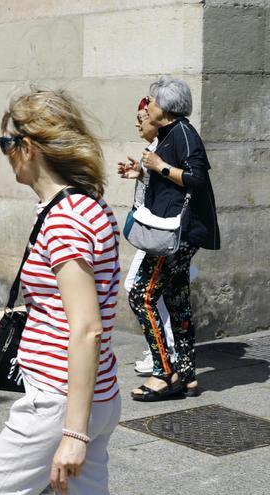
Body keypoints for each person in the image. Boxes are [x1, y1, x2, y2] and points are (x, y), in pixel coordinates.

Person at [0, 88, 121, 495]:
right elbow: (74, 303)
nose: (3, 152)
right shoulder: (87, 205)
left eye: (4, 143)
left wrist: (74, 434)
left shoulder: (64, 219)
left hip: (58, 399)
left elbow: (87, 328)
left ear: (27, 147)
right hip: (98, 393)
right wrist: (8, 319)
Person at [125, 77, 220, 401]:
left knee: (141, 294)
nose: (147, 104)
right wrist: (143, 172)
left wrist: (160, 166)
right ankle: (187, 375)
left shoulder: (182, 133)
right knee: (176, 300)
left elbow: (197, 179)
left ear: (165, 106)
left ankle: (164, 373)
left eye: (151, 100)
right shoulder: (170, 133)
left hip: (176, 233)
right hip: (176, 230)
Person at [118, 98, 176, 376]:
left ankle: (164, 352)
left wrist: (151, 169)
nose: (137, 122)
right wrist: (140, 174)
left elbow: (179, 185)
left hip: (159, 232)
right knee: (150, 291)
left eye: (142, 116)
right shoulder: (152, 150)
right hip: (153, 230)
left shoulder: (164, 149)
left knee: (140, 289)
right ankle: (165, 350)